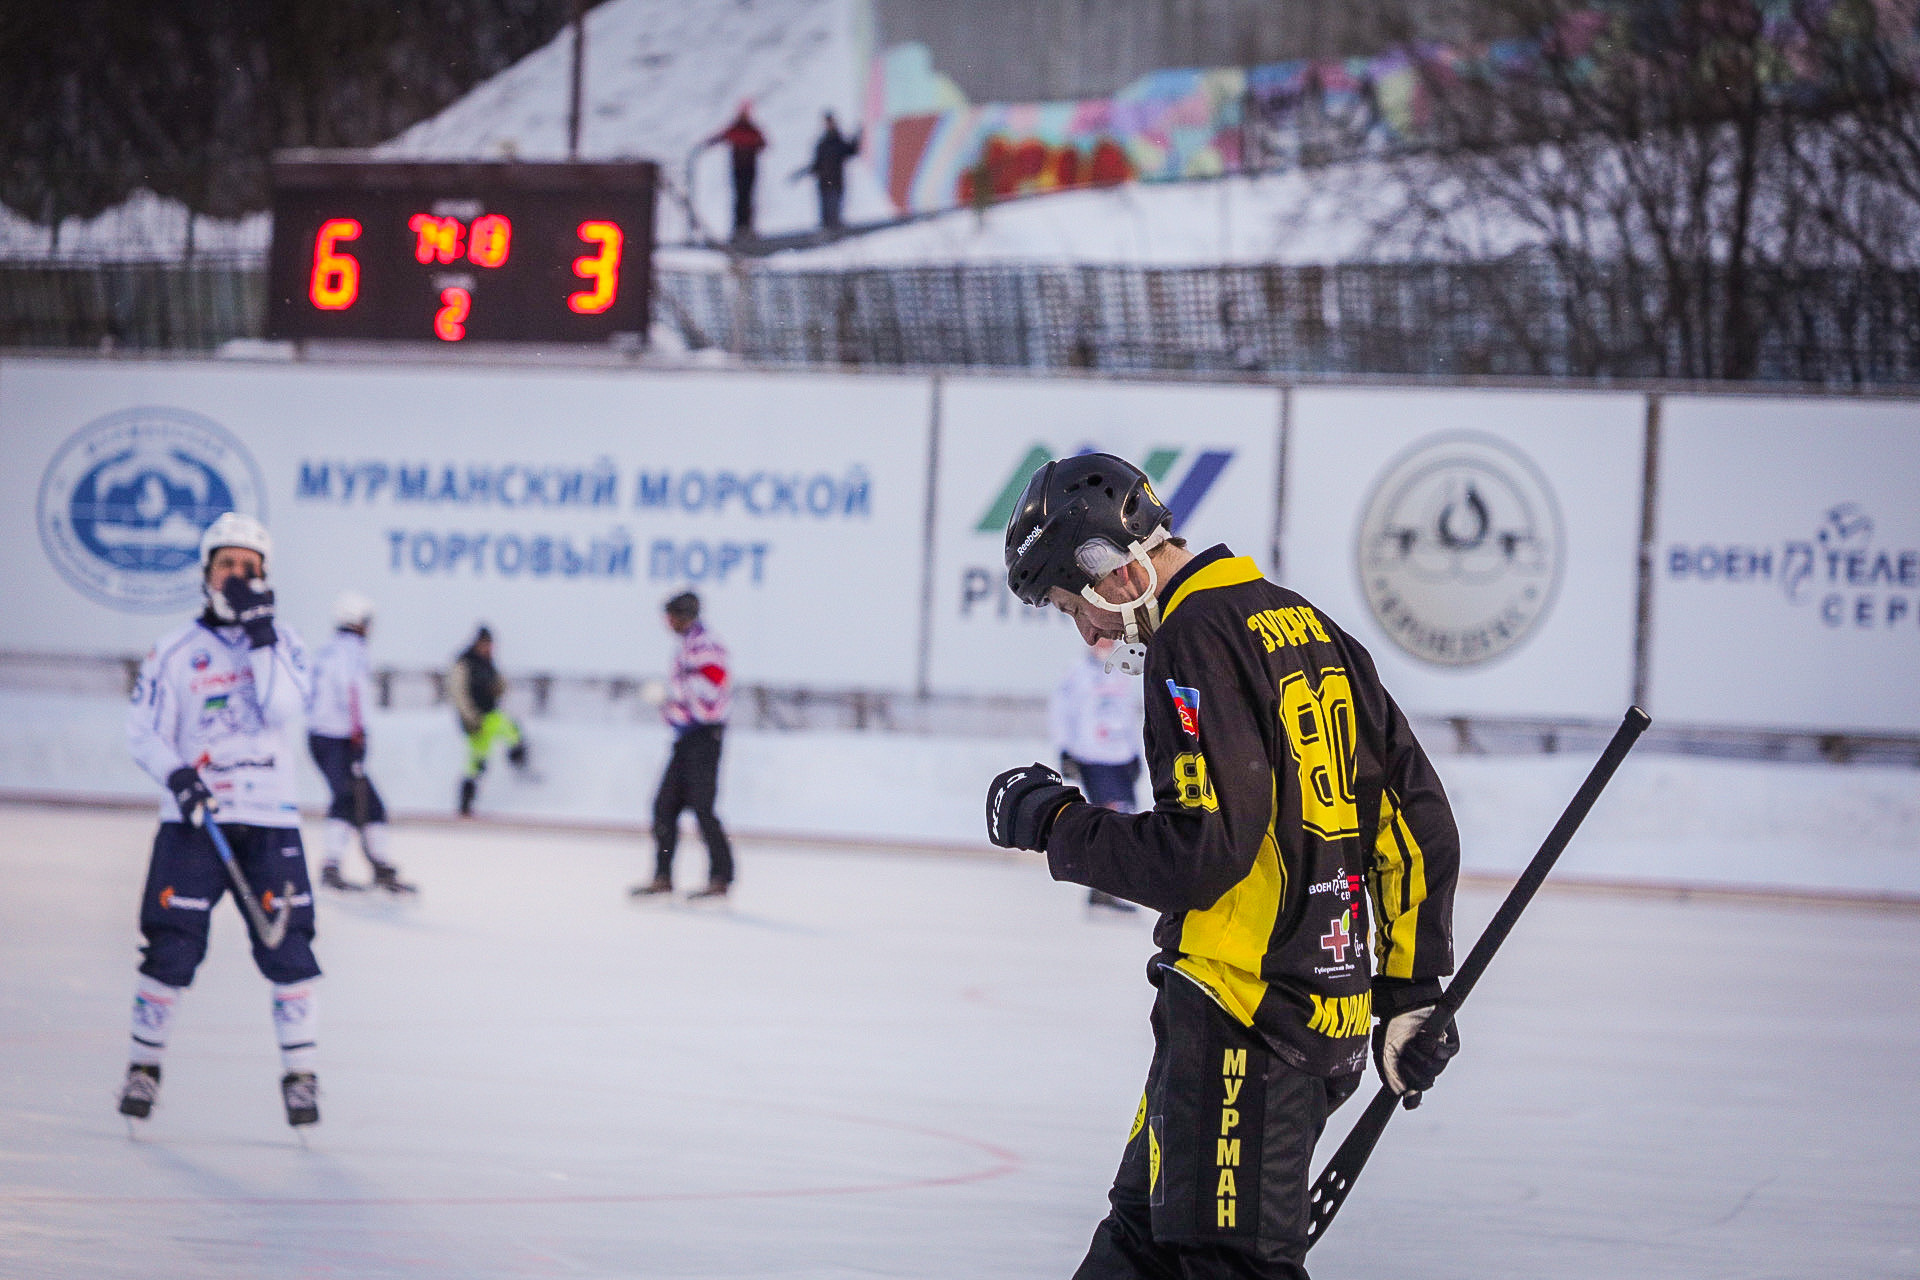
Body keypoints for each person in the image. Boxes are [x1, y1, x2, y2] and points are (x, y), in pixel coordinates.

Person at [985, 454, 1463, 1279]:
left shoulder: (1193, 640)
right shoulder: (1302, 622)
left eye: (1074, 606)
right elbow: (1416, 820)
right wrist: (1414, 991)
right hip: (1306, 1017)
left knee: (1222, 1263)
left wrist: (1055, 824)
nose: (1089, 636)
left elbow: (1200, 854)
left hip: (1247, 1019)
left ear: (1114, 568)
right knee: (1136, 1247)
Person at [118, 512, 323, 1129]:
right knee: (172, 945)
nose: (236, 575)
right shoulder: (174, 650)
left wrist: (259, 632)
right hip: (194, 822)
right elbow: (142, 731)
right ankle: (144, 1069)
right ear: (206, 573)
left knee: (288, 945)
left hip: (269, 820)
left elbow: (280, 705)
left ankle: (301, 1077)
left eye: (248, 567)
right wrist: (178, 776)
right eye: (225, 565)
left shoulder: (285, 643)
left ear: (264, 575)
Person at [306, 591, 414, 893]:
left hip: (320, 735)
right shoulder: (353, 652)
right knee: (351, 798)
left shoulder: (327, 650)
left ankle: (373, 861)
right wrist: (359, 733)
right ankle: (336, 865)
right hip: (339, 738)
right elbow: (352, 692)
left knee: (362, 800)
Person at [630, 591, 734, 901]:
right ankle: (663, 875)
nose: (667, 623)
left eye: (671, 616)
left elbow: (712, 689)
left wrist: (671, 695)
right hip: (686, 736)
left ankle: (721, 877)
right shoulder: (688, 645)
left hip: (705, 736)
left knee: (703, 808)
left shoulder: (707, 646)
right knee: (665, 807)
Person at [1050, 636, 1144, 913]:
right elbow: (1061, 713)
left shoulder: (1125, 672)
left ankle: (1105, 887)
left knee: (1125, 821)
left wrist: (1136, 752)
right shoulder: (1077, 672)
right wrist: (1065, 750)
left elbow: (1130, 714)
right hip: (1093, 756)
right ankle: (1104, 888)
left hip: (1120, 756)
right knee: (1110, 820)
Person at [450, 625, 529, 817]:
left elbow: (501, 685)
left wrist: (498, 687)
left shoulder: (488, 663)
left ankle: (520, 765)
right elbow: (459, 693)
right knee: (477, 761)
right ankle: (465, 802)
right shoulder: (465, 664)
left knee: (512, 730)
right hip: (475, 719)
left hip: (490, 715)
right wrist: (470, 717)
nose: (489, 648)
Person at [708, 103, 767, 241]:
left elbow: (762, 144)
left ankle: (746, 227)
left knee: (746, 198)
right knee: (740, 198)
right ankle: (740, 228)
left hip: (748, 169)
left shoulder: (749, 129)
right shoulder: (742, 129)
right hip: (739, 169)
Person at [796, 110, 861, 230]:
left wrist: (857, 136)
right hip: (824, 182)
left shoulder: (838, 142)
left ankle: (834, 236)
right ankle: (828, 236)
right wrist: (802, 174)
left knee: (834, 213)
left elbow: (852, 151)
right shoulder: (823, 143)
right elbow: (817, 163)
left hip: (835, 181)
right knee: (826, 214)